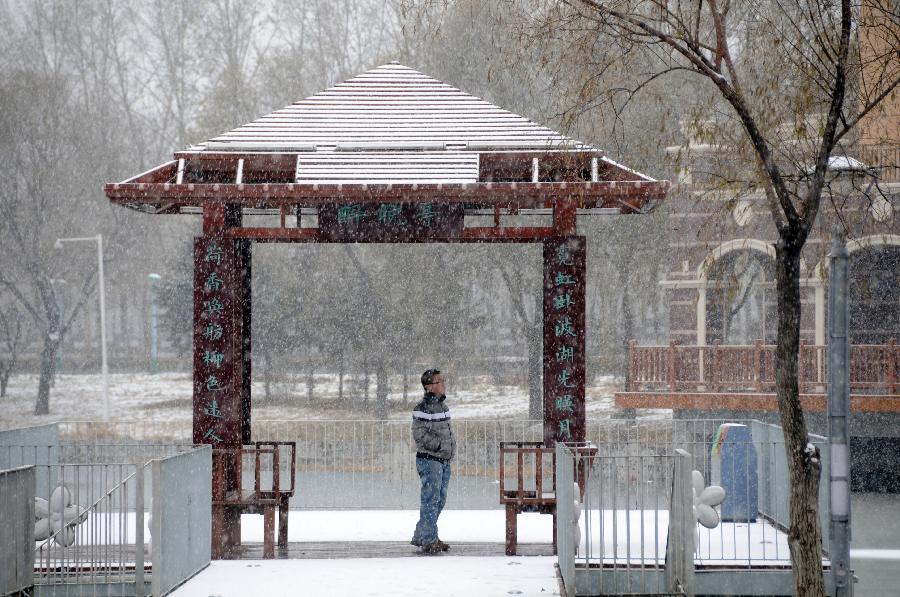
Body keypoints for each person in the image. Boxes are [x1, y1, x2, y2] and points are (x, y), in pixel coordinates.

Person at [410, 368, 455, 554]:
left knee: (439, 499)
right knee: (431, 499)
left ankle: (424, 535)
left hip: (444, 460)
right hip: (430, 460)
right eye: (439, 381)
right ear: (429, 387)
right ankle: (428, 538)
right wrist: (438, 446)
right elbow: (419, 434)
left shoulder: (443, 407)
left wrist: (448, 450)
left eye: (443, 380)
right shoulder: (422, 409)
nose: (443, 384)